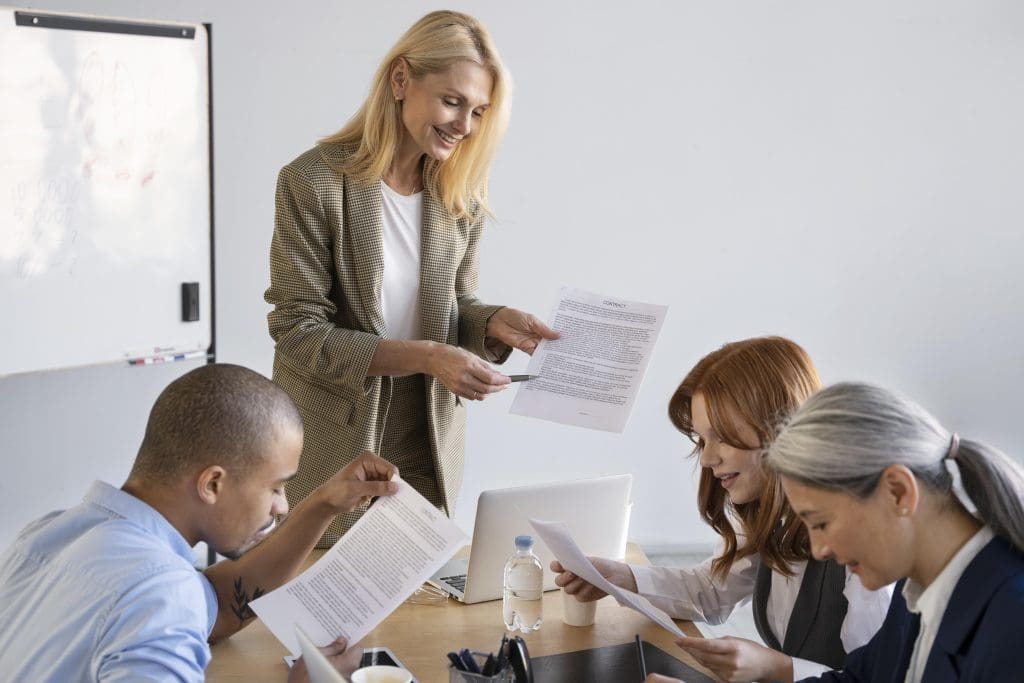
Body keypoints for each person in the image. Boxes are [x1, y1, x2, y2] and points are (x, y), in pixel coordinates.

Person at [264, 10, 557, 547]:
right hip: (334, 442)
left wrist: (492, 323)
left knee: (424, 617)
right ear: (401, 80)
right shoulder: (312, 182)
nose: (465, 126)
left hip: (428, 442)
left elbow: (454, 303)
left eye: (478, 111)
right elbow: (299, 331)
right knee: (327, 612)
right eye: (452, 101)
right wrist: (427, 356)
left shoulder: (457, 193)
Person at [0, 364, 399, 682]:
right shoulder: (164, 594)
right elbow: (173, 600)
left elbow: (219, 605)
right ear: (212, 483)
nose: (282, 506)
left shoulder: (48, 534)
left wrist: (323, 504)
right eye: (276, 487)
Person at [553, 337, 892, 682]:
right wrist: (622, 578)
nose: (706, 458)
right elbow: (714, 591)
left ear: (781, 428)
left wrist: (775, 668)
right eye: (702, 439)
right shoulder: (770, 511)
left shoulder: (860, 539)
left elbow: (878, 677)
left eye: (722, 437)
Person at [762, 381, 1024, 682]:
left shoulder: (1013, 624)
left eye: (820, 523)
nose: (819, 549)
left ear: (898, 491)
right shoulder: (915, 585)